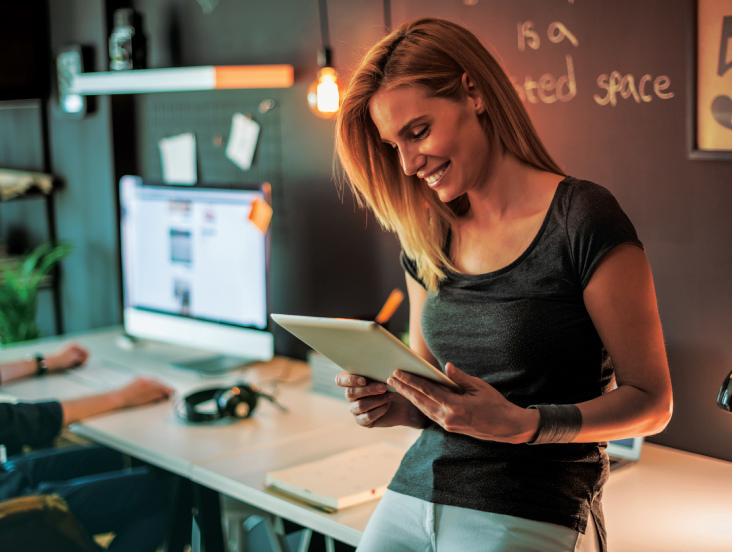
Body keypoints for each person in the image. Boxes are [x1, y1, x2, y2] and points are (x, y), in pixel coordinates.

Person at [334, 18, 672, 552]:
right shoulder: (428, 233)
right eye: (393, 144)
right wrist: (398, 405)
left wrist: (525, 425)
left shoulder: (581, 218)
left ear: (473, 92)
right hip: (414, 493)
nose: (408, 163)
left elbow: (653, 403)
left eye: (418, 132)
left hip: (531, 506)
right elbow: (434, 389)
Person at [0, 342, 177, 552]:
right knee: (167, 490)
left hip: (5, 478)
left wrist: (44, 363)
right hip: (10, 508)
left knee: (126, 457)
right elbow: (29, 422)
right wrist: (120, 397)